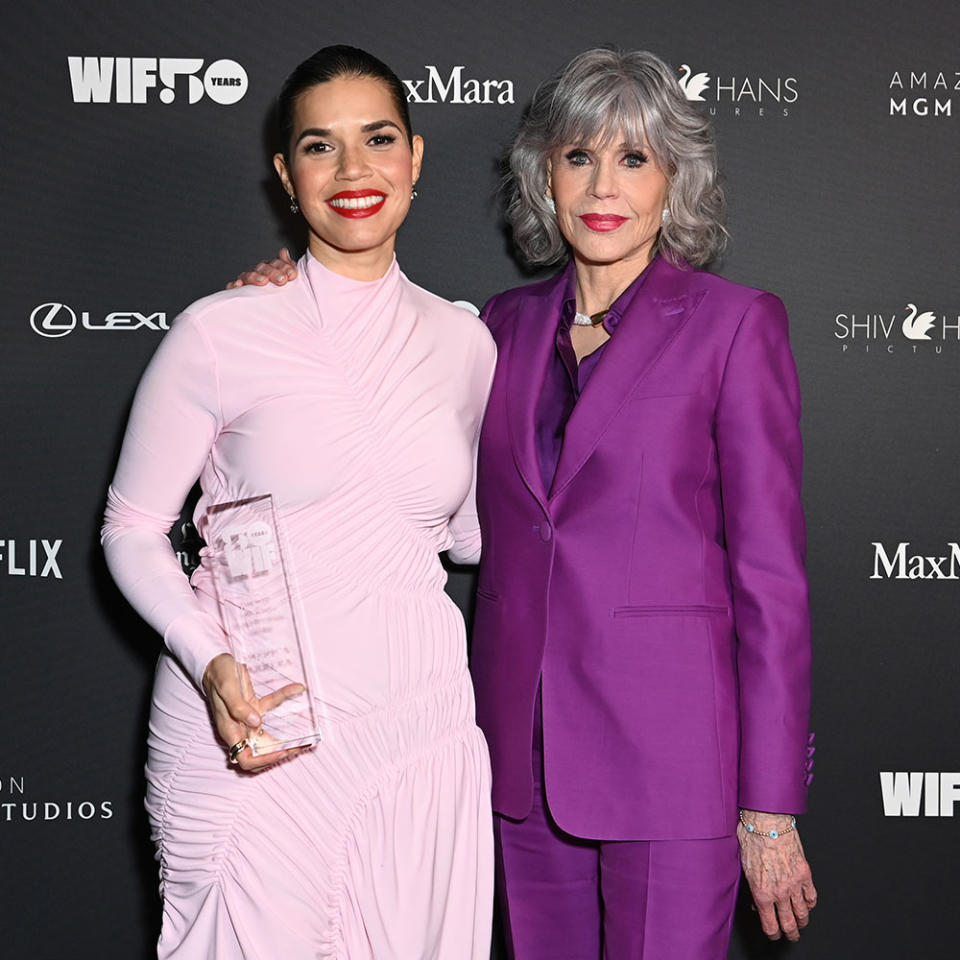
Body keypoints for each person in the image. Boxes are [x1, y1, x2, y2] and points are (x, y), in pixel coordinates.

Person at [239, 46, 816, 960]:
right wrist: (279, 301)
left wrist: (771, 806)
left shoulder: (734, 325)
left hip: (671, 770)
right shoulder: (496, 330)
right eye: (579, 156)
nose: (603, 184)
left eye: (634, 158)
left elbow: (772, 581)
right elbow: (380, 426)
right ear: (545, 175)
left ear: (676, 179)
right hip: (519, 760)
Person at [101, 45, 495, 960]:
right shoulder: (221, 330)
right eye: (321, 147)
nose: (354, 171)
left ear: (416, 158)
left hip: (417, 722)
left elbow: (465, 536)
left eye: (378, 139)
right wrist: (209, 662)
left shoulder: (466, 343)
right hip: (257, 721)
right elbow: (129, 530)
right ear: (286, 174)